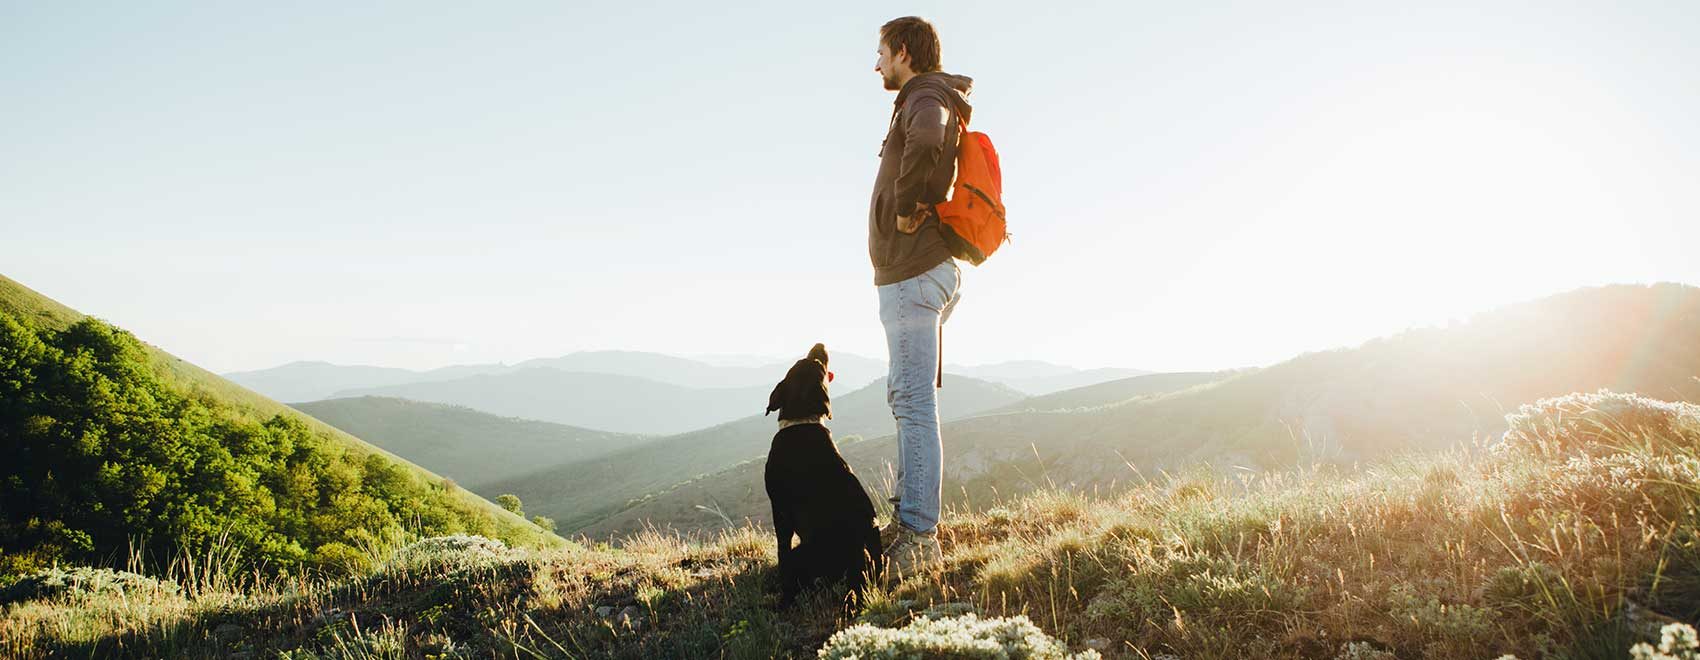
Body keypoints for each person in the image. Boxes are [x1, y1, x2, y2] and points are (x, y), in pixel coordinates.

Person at [868, 15, 972, 580]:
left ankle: (918, 537)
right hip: (913, 274)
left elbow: (929, 137)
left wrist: (906, 208)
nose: (876, 64)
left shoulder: (925, 96)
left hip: (915, 271)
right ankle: (910, 523)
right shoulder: (923, 96)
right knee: (906, 397)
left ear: (903, 51)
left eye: (881, 52)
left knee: (913, 403)